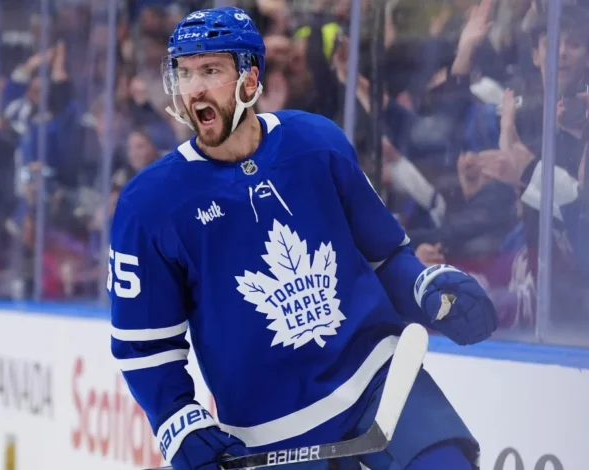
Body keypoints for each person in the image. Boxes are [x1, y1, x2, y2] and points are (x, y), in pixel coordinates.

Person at [108, 7, 497, 470]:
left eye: (210, 71)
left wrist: (426, 288)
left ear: (250, 79)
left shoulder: (316, 142)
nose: (194, 89)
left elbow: (385, 257)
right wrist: (177, 418)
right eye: (185, 73)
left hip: (380, 382)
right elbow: (145, 344)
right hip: (268, 434)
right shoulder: (149, 205)